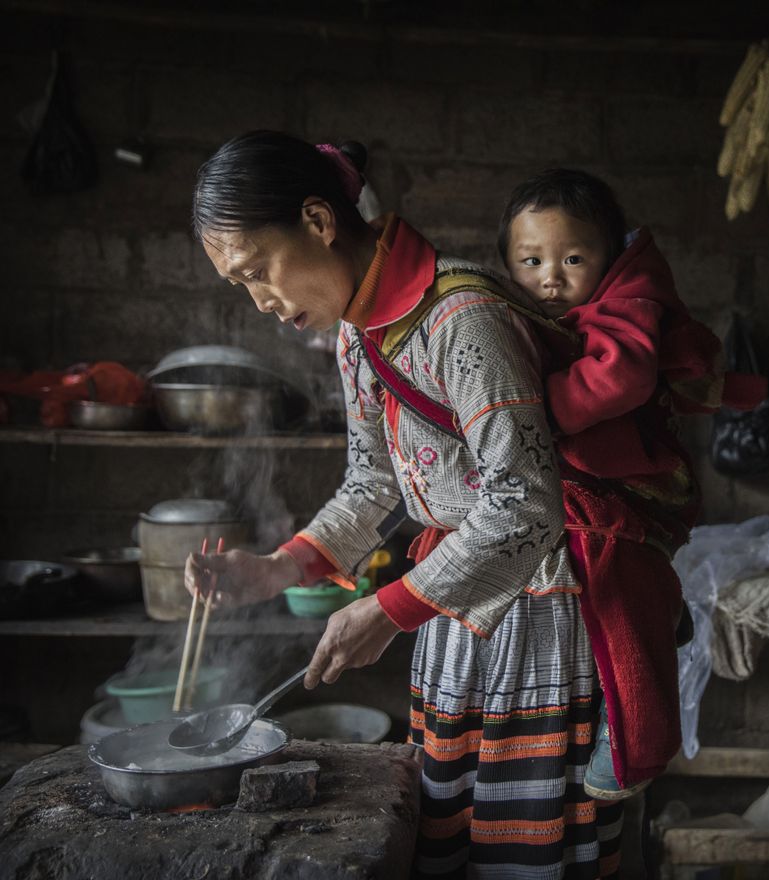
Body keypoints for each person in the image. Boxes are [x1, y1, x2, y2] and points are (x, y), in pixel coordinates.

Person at [184, 130, 623, 880]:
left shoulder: (463, 319)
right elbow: (372, 484)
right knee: (455, 838)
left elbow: (523, 507)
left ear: (319, 222)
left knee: (524, 854)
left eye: (258, 272)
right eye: (241, 286)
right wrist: (275, 569)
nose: (261, 302)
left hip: (536, 611)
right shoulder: (360, 334)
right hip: (455, 611)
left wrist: (390, 609)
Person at [497, 169, 765, 800]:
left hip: (638, 484)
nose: (551, 277)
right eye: (530, 260)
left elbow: (620, 382)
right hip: (613, 475)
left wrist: (521, 410)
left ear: (611, 258)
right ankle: (663, 604)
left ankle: (637, 740)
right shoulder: (522, 314)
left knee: (611, 575)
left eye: (572, 258)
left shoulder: (628, 308)